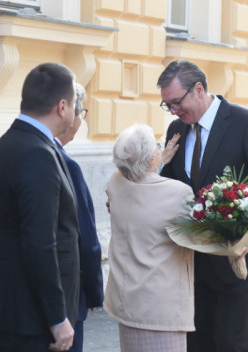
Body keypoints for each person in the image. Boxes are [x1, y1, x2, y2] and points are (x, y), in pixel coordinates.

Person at [157, 59, 248, 352]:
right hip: (194, 262)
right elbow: (167, 186)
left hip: (240, 262)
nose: (174, 111)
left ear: (199, 89)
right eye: (168, 106)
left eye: (177, 102)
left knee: (231, 344)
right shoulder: (176, 130)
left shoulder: (247, 123)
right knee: (197, 344)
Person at [0, 62, 80, 352]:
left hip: (22, 311)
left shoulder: (14, 142)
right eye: (75, 104)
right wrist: (57, 316)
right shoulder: (35, 153)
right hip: (33, 320)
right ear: (62, 106)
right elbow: (40, 242)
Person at [104, 124, 195, 352]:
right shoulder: (179, 192)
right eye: (156, 145)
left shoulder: (115, 184)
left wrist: (158, 162)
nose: (159, 148)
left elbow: (137, 178)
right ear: (151, 156)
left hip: (126, 303)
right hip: (159, 308)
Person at [54, 83, 104, 352]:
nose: (81, 120)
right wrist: (95, 290)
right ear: (67, 112)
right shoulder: (67, 165)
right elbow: (86, 235)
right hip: (67, 295)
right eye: (82, 112)